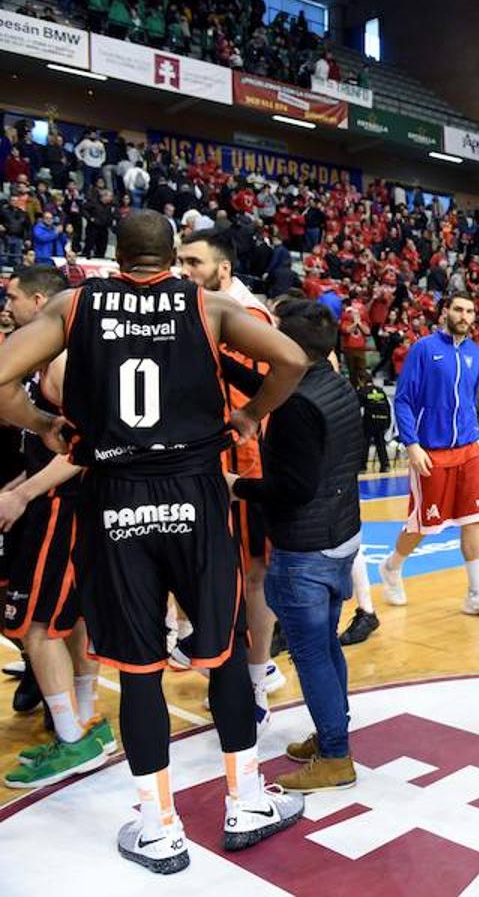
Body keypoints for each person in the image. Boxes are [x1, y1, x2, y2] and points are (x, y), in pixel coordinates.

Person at [0, 210, 310, 873]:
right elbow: (292, 358)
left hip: (114, 495)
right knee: (222, 654)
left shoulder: (72, 304)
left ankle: (158, 826)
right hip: (195, 493)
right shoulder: (208, 304)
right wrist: (251, 415)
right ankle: (245, 800)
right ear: (172, 253)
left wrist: (41, 421)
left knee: (138, 669)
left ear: (116, 255)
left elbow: (1, 377)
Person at [223, 300, 365, 794]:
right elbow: (268, 390)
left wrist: (236, 485)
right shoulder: (335, 383)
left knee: (312, 654)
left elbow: (295, 487)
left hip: (305, 546)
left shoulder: (298, 408)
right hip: (341, 536)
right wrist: (216, 356)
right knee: (326, 644)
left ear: (290, 347)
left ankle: (335, 755)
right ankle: (333, 732)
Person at [0, 265, 115, 789]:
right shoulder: (48, 359)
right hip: (55, 502)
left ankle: (73, 739)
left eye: (14, 298)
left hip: (63, 507)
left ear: (41, 301)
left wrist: (23, 493)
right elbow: (52, 440)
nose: (8, 308)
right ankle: (81, 722)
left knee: (37, 626)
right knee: (64, 620)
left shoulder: (65, 364)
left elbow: (85, 449)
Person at [178, 227, 283, 724]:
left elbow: (245, 404)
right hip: (204, 462)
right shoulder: (198, 312)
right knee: (212, 571)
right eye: (179, 261)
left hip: (242, 464)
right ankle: (229, 662)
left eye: (194, 263)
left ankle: (257, 680)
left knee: (253, 574)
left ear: (223, 269)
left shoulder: (247, 317)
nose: (184, 271)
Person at [380, 294, 479, 618]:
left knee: (474, 519)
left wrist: (476, 438)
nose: (464, 316)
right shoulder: (423, 348)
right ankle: (392, 567)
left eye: (470, 311)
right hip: (431, 451)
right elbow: (404, 400)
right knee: (423, 524)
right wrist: (412, 444)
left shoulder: (475, 352)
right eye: (459, 310)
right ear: (445, 312)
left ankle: (476, 594)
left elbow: (468, 398)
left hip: (469, 448)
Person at [357, 371, 391, 473]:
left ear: (361, 380)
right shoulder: (380, 391)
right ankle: (385, 465)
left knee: (365, 444)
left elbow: (358, 408)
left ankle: (362, 467)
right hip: (382, 420)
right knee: (381, 444)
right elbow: (388, 407)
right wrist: (388, 422)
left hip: (370, 421)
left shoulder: (362, 391)